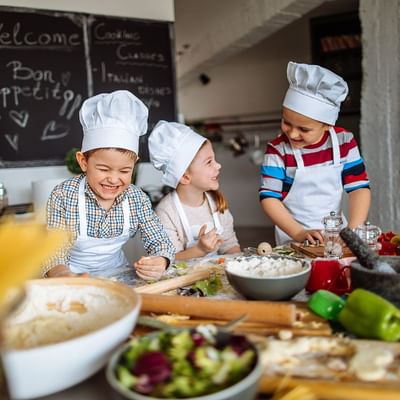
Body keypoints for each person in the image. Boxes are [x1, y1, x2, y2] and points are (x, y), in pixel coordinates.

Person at [44, 90, 175, 280]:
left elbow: (159, 239)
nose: (114, 179)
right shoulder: (64, 195)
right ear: (83, 162)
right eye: (104, 169)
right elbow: (53, 249)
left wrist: (161, 260)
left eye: (124, 171)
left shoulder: (136, 198)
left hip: (118, 276)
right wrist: (62, 274)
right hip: (70, 277)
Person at [260, 61, 371, 246]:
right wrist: (298, 233)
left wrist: (352, 231)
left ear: (327, 125)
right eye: (287, 122)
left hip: (337, 236)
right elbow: (269, 197)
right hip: (294, 238)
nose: (293, 134)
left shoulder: (345, 142)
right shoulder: (277, 150)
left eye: (304, 129)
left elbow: (359, 188)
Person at [148, 121, 240, 260]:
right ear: (185, 176)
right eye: (209, 162)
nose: (218, 165)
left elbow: (230, 246)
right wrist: (199, 249)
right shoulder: (166, 213)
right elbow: (169, 259)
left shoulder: (217, 202)